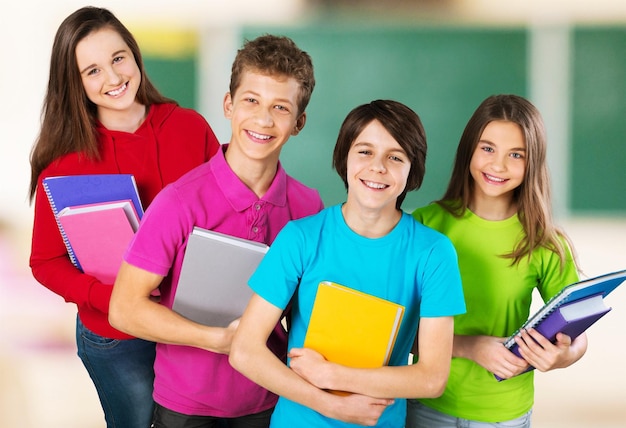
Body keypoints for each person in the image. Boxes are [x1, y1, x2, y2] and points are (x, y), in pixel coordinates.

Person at [108, 34, 324, 427]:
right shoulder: (180, 201)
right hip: (185, 406)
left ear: (299, 123)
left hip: (268, 400)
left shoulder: (309, 207)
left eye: (280, 108)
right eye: (251, 101)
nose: (263, 119)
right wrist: (217, 339)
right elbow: (124, 309)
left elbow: (307, 310)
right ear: (228, 105)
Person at [28, 6, 220, 428]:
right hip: (116, 337)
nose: (113, 79)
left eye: (118, 59)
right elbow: (44, 262)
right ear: (74, 83)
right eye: (92, 71)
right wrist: (106, 297)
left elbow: (224, 216)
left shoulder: (190, 128)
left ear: (134, 56)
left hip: (192, 326)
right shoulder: (64, 165)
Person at [229, 99, 467, 427]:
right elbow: (244, 351)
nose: (378, 167)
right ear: (345, 158)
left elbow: (431, 378)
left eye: (395, 157)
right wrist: (329, 405)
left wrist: (333, 375)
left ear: (413, 169)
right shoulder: (301, 238)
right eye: (365, 151)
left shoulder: (433, 253)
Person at [406, 94, 586, 428]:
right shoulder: (425, 225)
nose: (498, 165)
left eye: (516, 154)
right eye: (487, 148)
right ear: (469, 150)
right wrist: (469, 347)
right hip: (426, 405)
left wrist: (562, 356)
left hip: (506, 416)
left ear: (533, 163)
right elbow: (396, 330)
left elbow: (577, 336)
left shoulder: (545, 242)